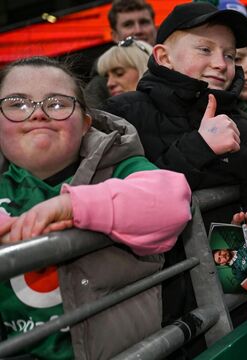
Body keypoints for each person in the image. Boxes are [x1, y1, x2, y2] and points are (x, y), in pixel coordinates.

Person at [0, 56, 191, 359]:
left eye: (58, 104)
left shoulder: (119, 165)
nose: (37, 114)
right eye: (16, 104)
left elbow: (172, 201)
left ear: (86, 123)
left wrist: (72, 206)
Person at [104, 2, 247, 238]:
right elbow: (116, 204)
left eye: (229, 55)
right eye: (205, 49)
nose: (220, 64)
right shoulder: (122, 115)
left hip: (234, 274)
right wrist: (199, 147)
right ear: (164, 57)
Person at [86, 0, 157, 108]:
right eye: (128, 25)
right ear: (115, 36)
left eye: (144, 22)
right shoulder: (100, 85)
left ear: (155, 28)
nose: (138, 30)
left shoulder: (176, 65)